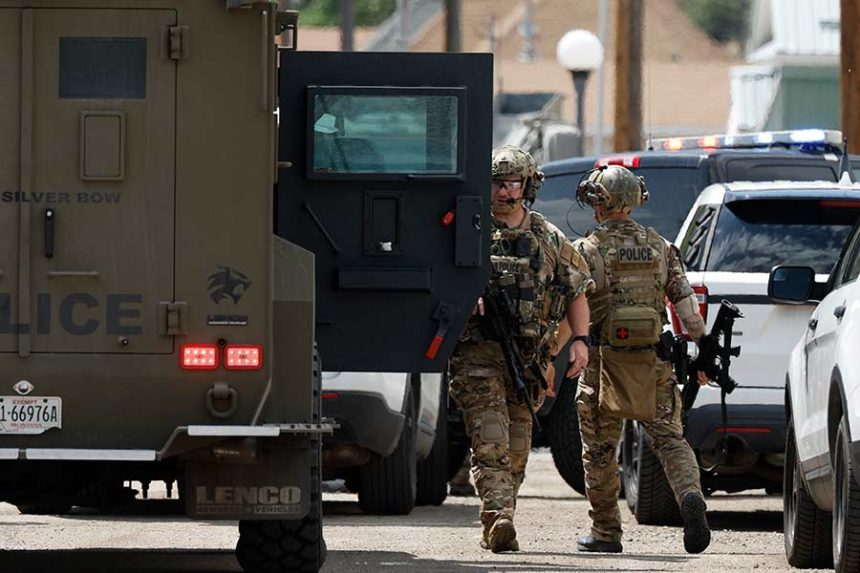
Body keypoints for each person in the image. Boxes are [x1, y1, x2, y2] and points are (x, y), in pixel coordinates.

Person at [448, 145, 593, 553]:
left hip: (528, 360)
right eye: (497, 182)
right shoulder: (468, 232)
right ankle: (499, 518)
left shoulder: (547, 238)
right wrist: (465, 298)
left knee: (516, 451)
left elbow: (575, 293)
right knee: (490, 439)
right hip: (478, 356)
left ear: (527, 186)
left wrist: (575, 344)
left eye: (513, 183)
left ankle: (502, 514)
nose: (505, 192)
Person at [572, 164, 711, 555]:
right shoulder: (662, 247)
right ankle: (688, 494)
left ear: (598, 203)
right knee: (670, 439)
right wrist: (701, 344)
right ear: (635, 200)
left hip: (603, 365)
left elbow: (572, 303)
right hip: (653, 363)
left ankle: (605, 532)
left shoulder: (587, 250)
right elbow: (687, 311)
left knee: (599, 450)